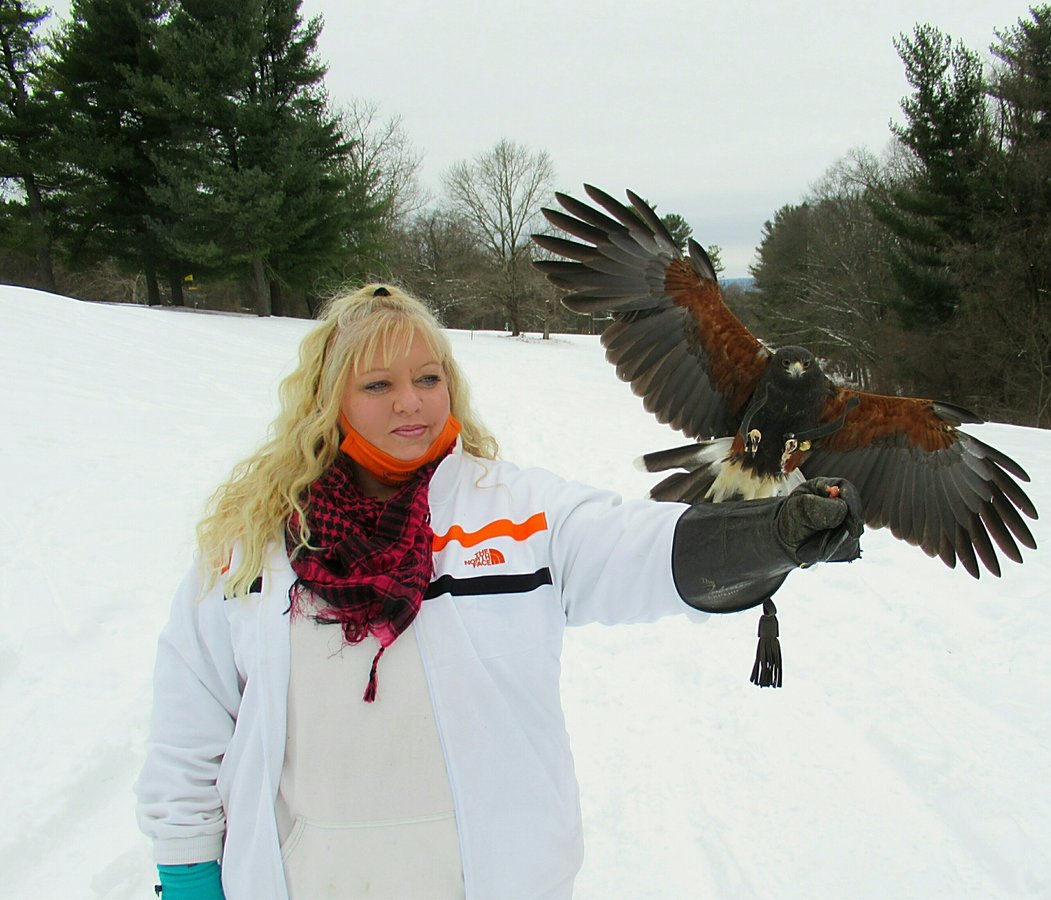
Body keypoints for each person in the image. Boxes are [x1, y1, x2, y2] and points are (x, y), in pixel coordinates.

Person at [135, 283, 864, 900]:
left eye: (428, 377)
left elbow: (637, 549)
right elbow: (191, 716)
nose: (411, 403)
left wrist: (767, 536)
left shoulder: (513, 512)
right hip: (303, 878)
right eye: (378, 385)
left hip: (488, 880)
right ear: (330, 400)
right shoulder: (257, 541)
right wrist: (189, 869)